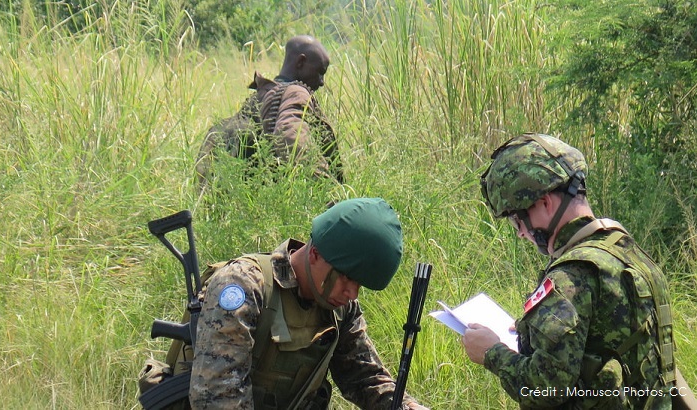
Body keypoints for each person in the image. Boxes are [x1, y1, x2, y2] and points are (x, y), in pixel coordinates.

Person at [466, 133, 683, 408]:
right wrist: (531, 331)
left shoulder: (570, 279)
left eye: (516, 220)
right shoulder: (634, 256)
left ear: (545, 203)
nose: (521, 233)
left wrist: (491, 353)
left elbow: (547, 389)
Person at [188, 198, 427, 409]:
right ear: (314, 254)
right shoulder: (245, 286)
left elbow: (363, 377)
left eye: (360, 284)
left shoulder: (339, 308)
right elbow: (217, 394)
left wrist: (407, 406)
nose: (352, 293)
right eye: (347, 277)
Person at [195, 35, 343, 188]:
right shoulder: (296, 92)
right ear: (301, 62)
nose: (321, 82)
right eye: (320, 72)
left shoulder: (261, 94)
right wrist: (325, 188)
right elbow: (290, 134)